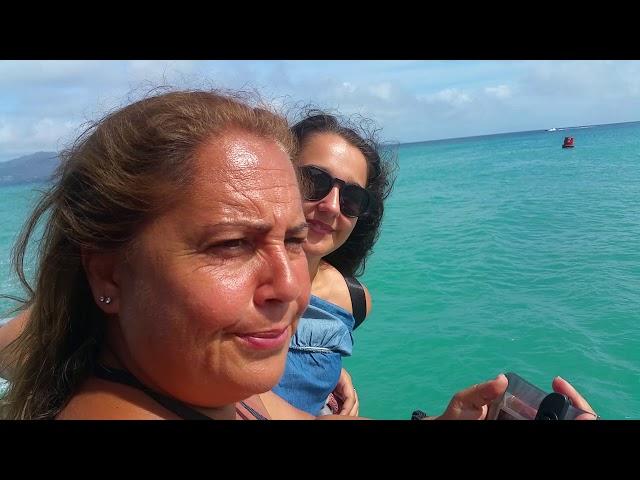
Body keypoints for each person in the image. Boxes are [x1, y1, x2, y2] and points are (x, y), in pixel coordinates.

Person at [0, 88, 596, 420]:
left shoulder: (211, 385)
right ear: (107, 272)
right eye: (231, 244)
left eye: (289, 240)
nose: (289, 287)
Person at [272, 111, 394, 416]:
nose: (331, 206)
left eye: (352, 198)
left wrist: (328, 368)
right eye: (315, 181)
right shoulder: (227, 287)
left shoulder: (353, 300)